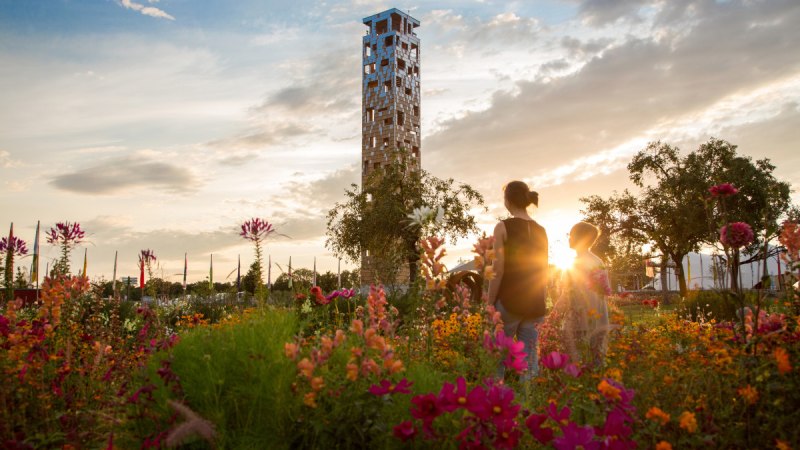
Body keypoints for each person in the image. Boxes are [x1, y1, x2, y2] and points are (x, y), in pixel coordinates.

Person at [487, 180, 549, 380]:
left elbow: (498, 269)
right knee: (529, 363)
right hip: (536, 303)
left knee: (496, 358)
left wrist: (489, 303)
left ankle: (494, 399)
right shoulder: (542, 230)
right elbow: (543, 269)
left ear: (507, 201)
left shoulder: (502, 227)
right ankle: (528, 405)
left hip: (510, 301)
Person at [555, 221, 611, 367]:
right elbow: (604, 291)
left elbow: (567, 294)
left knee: (575, 365)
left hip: (579, 321)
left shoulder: (574, 264)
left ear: (580, 238)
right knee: (597, 364)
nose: (569, 238)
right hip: (599, 319)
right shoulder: (598, 261)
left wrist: (553, 315)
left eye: (571, 235)